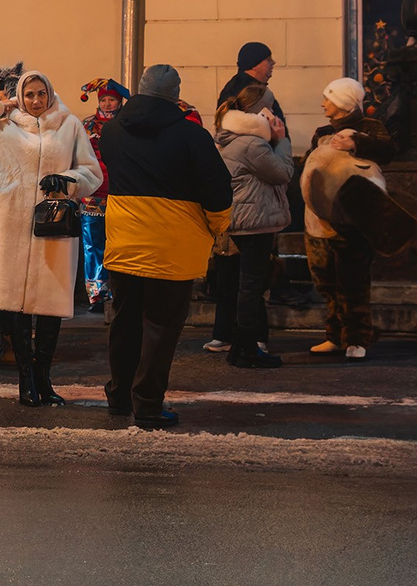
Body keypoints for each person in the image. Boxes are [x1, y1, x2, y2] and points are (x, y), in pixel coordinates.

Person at [99, 64, 233, 428]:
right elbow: (217, 190)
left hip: (124, 241)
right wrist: (219, 228)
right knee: (160, 327)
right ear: (176, 95)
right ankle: (148, 404)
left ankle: (119, 396)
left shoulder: (111, 131)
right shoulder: (192, 136)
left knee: (124, 321)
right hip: (172, 248)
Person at [0, 72, 102, 406]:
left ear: (50, 93)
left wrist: (67, 179)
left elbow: (92, 172)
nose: (36, 100)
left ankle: (44, 378)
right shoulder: (4, 125)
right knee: (16, 305)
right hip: (10, 221)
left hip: (53, 223)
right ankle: (25, 380)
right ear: (20, 96)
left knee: (50, 306)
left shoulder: (69, 125)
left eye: (41, 93)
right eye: (29, 94)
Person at [303, 76, 397, 361]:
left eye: (328, 98)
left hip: (354, 218)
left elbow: (387, 152)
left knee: (353, 281)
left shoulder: (370, 127)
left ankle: (357, 338)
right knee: (326, 280)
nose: (323, 103)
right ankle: (334, 335)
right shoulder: (322, 132)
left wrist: (356, 142)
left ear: (343, 102)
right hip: (320, 220)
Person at [210, 82, 293, 369]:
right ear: (260, 112)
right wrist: (282, 140)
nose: (274, 114)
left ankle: (239, 346)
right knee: (252, 286)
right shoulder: (252, 144)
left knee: (246, 284)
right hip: (255, 221)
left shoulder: (233, 138)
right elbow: (282, 173)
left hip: (243, 218)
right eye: (270, 108)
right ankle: (246, 348)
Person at [77, 79, 128, 314]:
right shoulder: (87, 126)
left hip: (121, 192)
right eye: (104, 100)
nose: (107, 104)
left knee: (119, 243)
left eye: (112, 100)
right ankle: (97, 294)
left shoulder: (127, 124)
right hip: (92, 193)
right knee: (93, 245)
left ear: (120, 101)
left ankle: (120, 290)